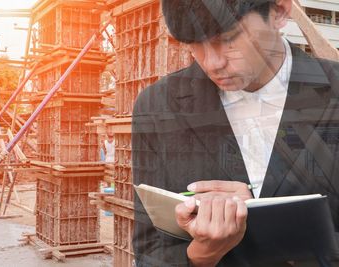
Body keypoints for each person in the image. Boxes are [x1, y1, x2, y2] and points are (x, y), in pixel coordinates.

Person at [132, 0, 339, 266]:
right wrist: (202, 253)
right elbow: (150, 251)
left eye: (229, 38)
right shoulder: (158, 106)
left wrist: (264, 220)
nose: (212, 63)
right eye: (193, 44)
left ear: (279, 11)